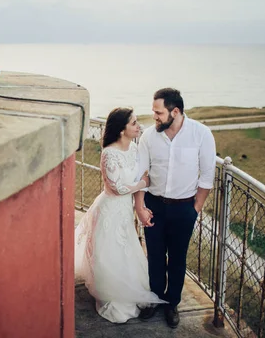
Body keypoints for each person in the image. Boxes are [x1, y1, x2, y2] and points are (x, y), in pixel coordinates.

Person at [75, 107, 166, 323]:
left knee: (127, 250)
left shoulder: (134, 149)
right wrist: (143, 183)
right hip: (110, 209)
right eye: (134, 123)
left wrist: (139, 206)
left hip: (125, 210)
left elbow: (139, 175)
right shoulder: (108, 153)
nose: (139, 126)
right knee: (110, 253)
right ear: (122, 129)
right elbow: (117, 188)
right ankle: (112, 293)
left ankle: (129, 287)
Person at [134, 88, 216, 328]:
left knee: (177, 259)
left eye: (158, 112)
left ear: (175, 111)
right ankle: (155, 299)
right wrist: (140, 206)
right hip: (154, 206)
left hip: (184, 208)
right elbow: (141, 173)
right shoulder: (149, 136)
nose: (155, 117)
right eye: (153, 112)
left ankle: (172, 304)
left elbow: (207, 176)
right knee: (155, 257)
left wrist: (195, 209)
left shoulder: (201, 134)